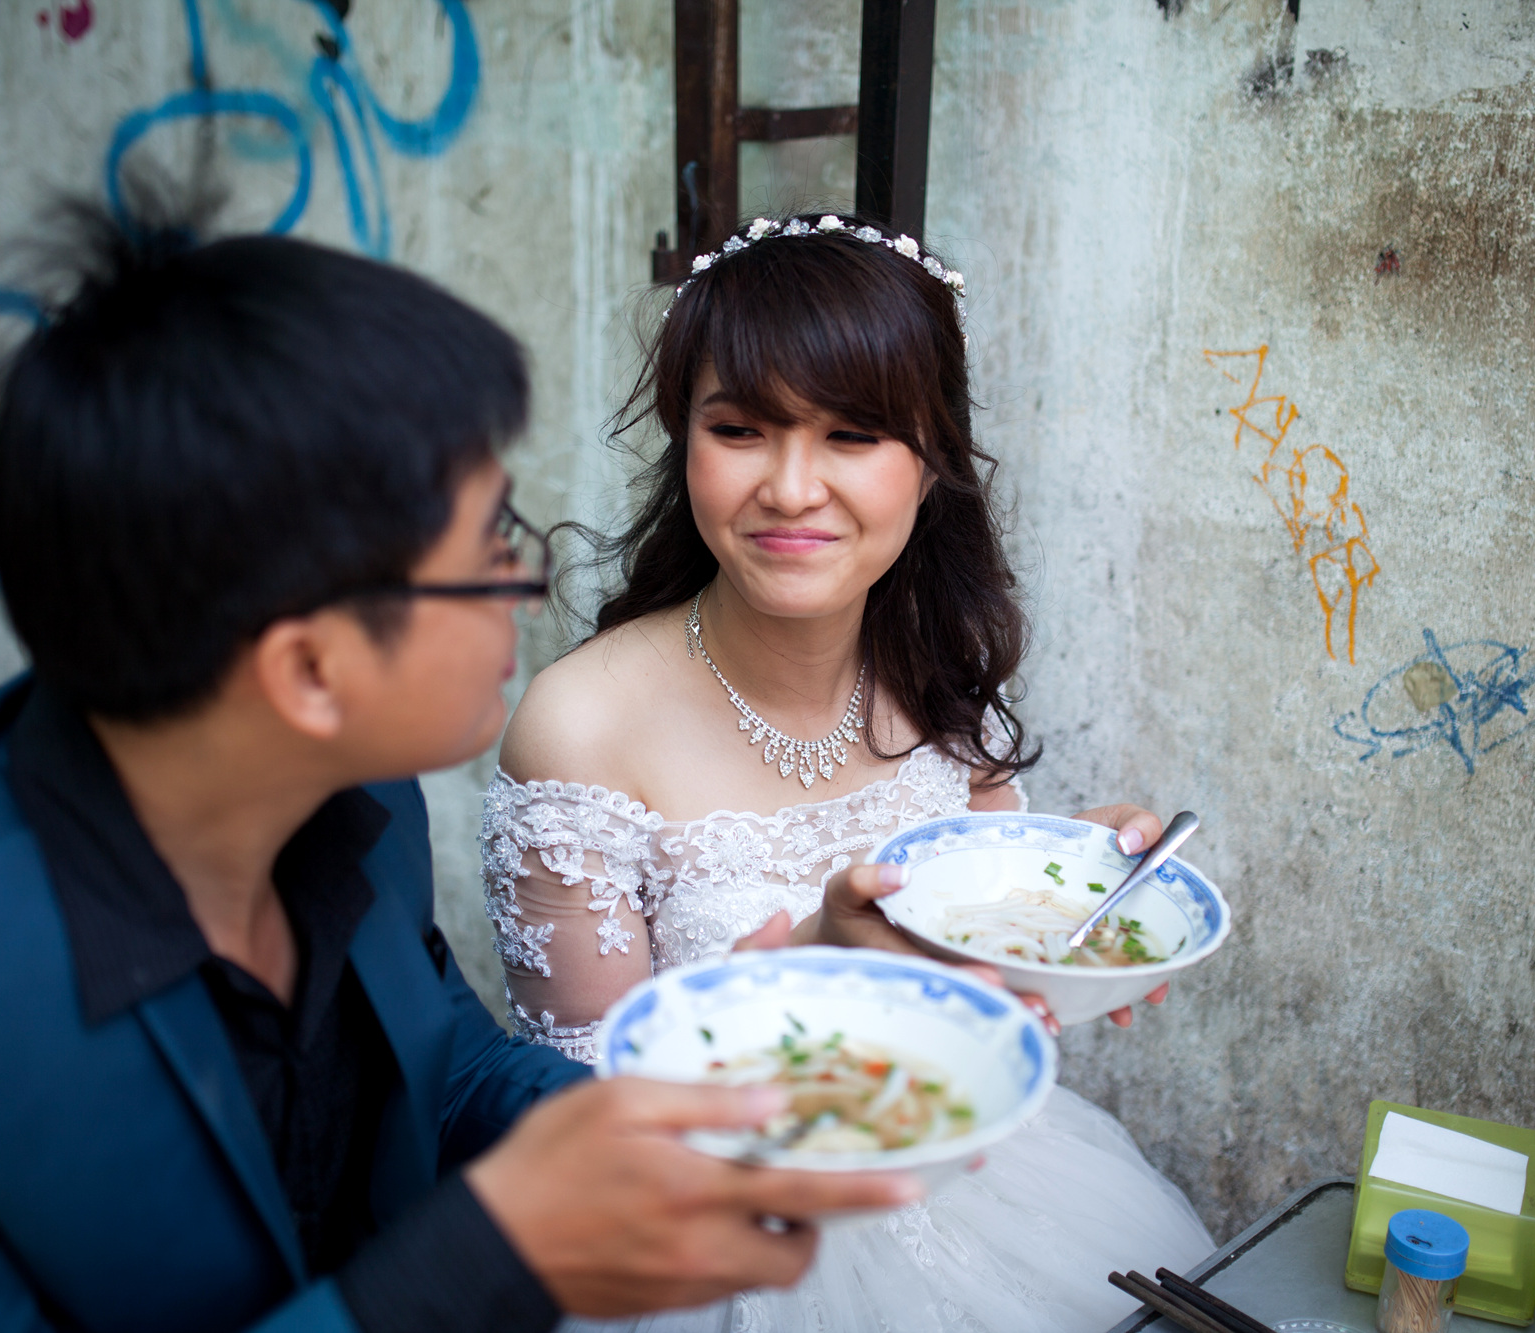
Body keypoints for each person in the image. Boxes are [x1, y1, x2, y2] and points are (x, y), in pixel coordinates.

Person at [0, 206, 920, 1333]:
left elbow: (444, 1068)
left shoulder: (354, 792)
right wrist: (489, 1258)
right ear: (310, 671)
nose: (526, 591)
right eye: (490, 551)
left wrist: (702, 1083)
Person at [483, 212, 1217, 1332]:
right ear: (685, 441)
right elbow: (586, 1122)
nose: (790, 487)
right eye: (740, 429)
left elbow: (972, 954)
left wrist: (1069, 899)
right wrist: (813, 967)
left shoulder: (935, 671)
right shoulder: (580, 729)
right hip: (712, 1255)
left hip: (990, 1197)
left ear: (930, 462)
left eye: (853, 434)